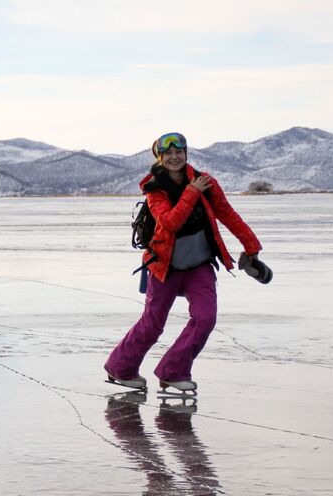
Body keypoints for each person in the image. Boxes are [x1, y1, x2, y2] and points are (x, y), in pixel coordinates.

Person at [104, 132, 262, 394]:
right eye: (168, 153)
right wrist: (191, 192)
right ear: (161, 157)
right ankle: (120, 368)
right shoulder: (155, 188)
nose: (175, 157)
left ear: (186, 153)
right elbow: (169, 222)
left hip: (199, 265)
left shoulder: (205, 182)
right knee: (153, 324)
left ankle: (173, 371)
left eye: (179, 152)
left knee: (205, 318)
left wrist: (252, 246)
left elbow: (228, 214)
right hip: (164, 266)